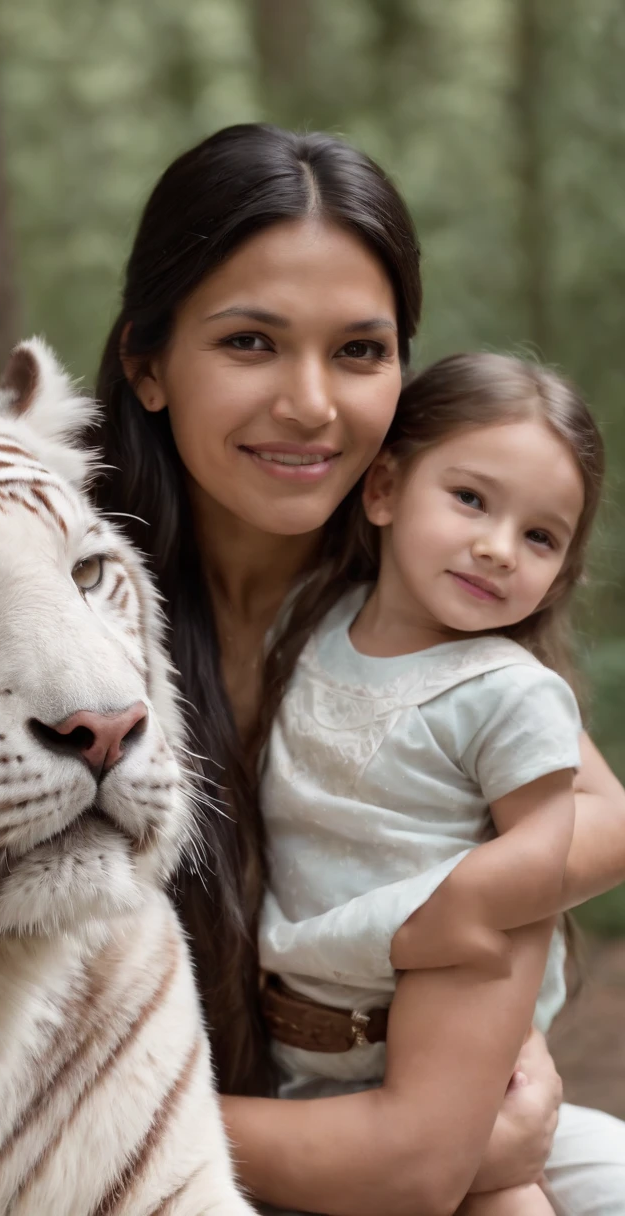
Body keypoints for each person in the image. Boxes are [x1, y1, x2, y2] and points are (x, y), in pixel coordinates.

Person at [89, 123, 625, 1214]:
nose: (312, 404)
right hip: (142, 1150)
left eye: (358, 351)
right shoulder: (66, 614)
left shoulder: (419, 613)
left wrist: (463, 909)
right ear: (147, 362)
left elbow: (596, 814)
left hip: (377, 1115)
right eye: (250, 342)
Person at [258, 351, 605, 1216]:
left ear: (559, 574)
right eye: (471, 500)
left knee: (501, 1197)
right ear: (382, 493)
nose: (496, 548)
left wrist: (442, 918)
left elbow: (546, 840)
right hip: (304, 1036)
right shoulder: (310, 622)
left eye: (539, 536)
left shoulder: (510, 691)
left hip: (439, 1028)